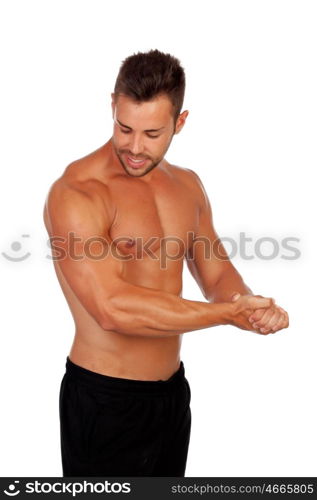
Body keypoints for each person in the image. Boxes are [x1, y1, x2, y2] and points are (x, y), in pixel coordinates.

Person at [43, 49, 289, 477]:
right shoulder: (78, 191)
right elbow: (112, 308)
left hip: (172, 396)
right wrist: (224, 314)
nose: (135, 147)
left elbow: (216, 272)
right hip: (105, 400)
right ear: (112, 105)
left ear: (181, 121)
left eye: (152, 133)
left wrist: (248, 305)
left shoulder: (188, 186)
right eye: (125, 128)